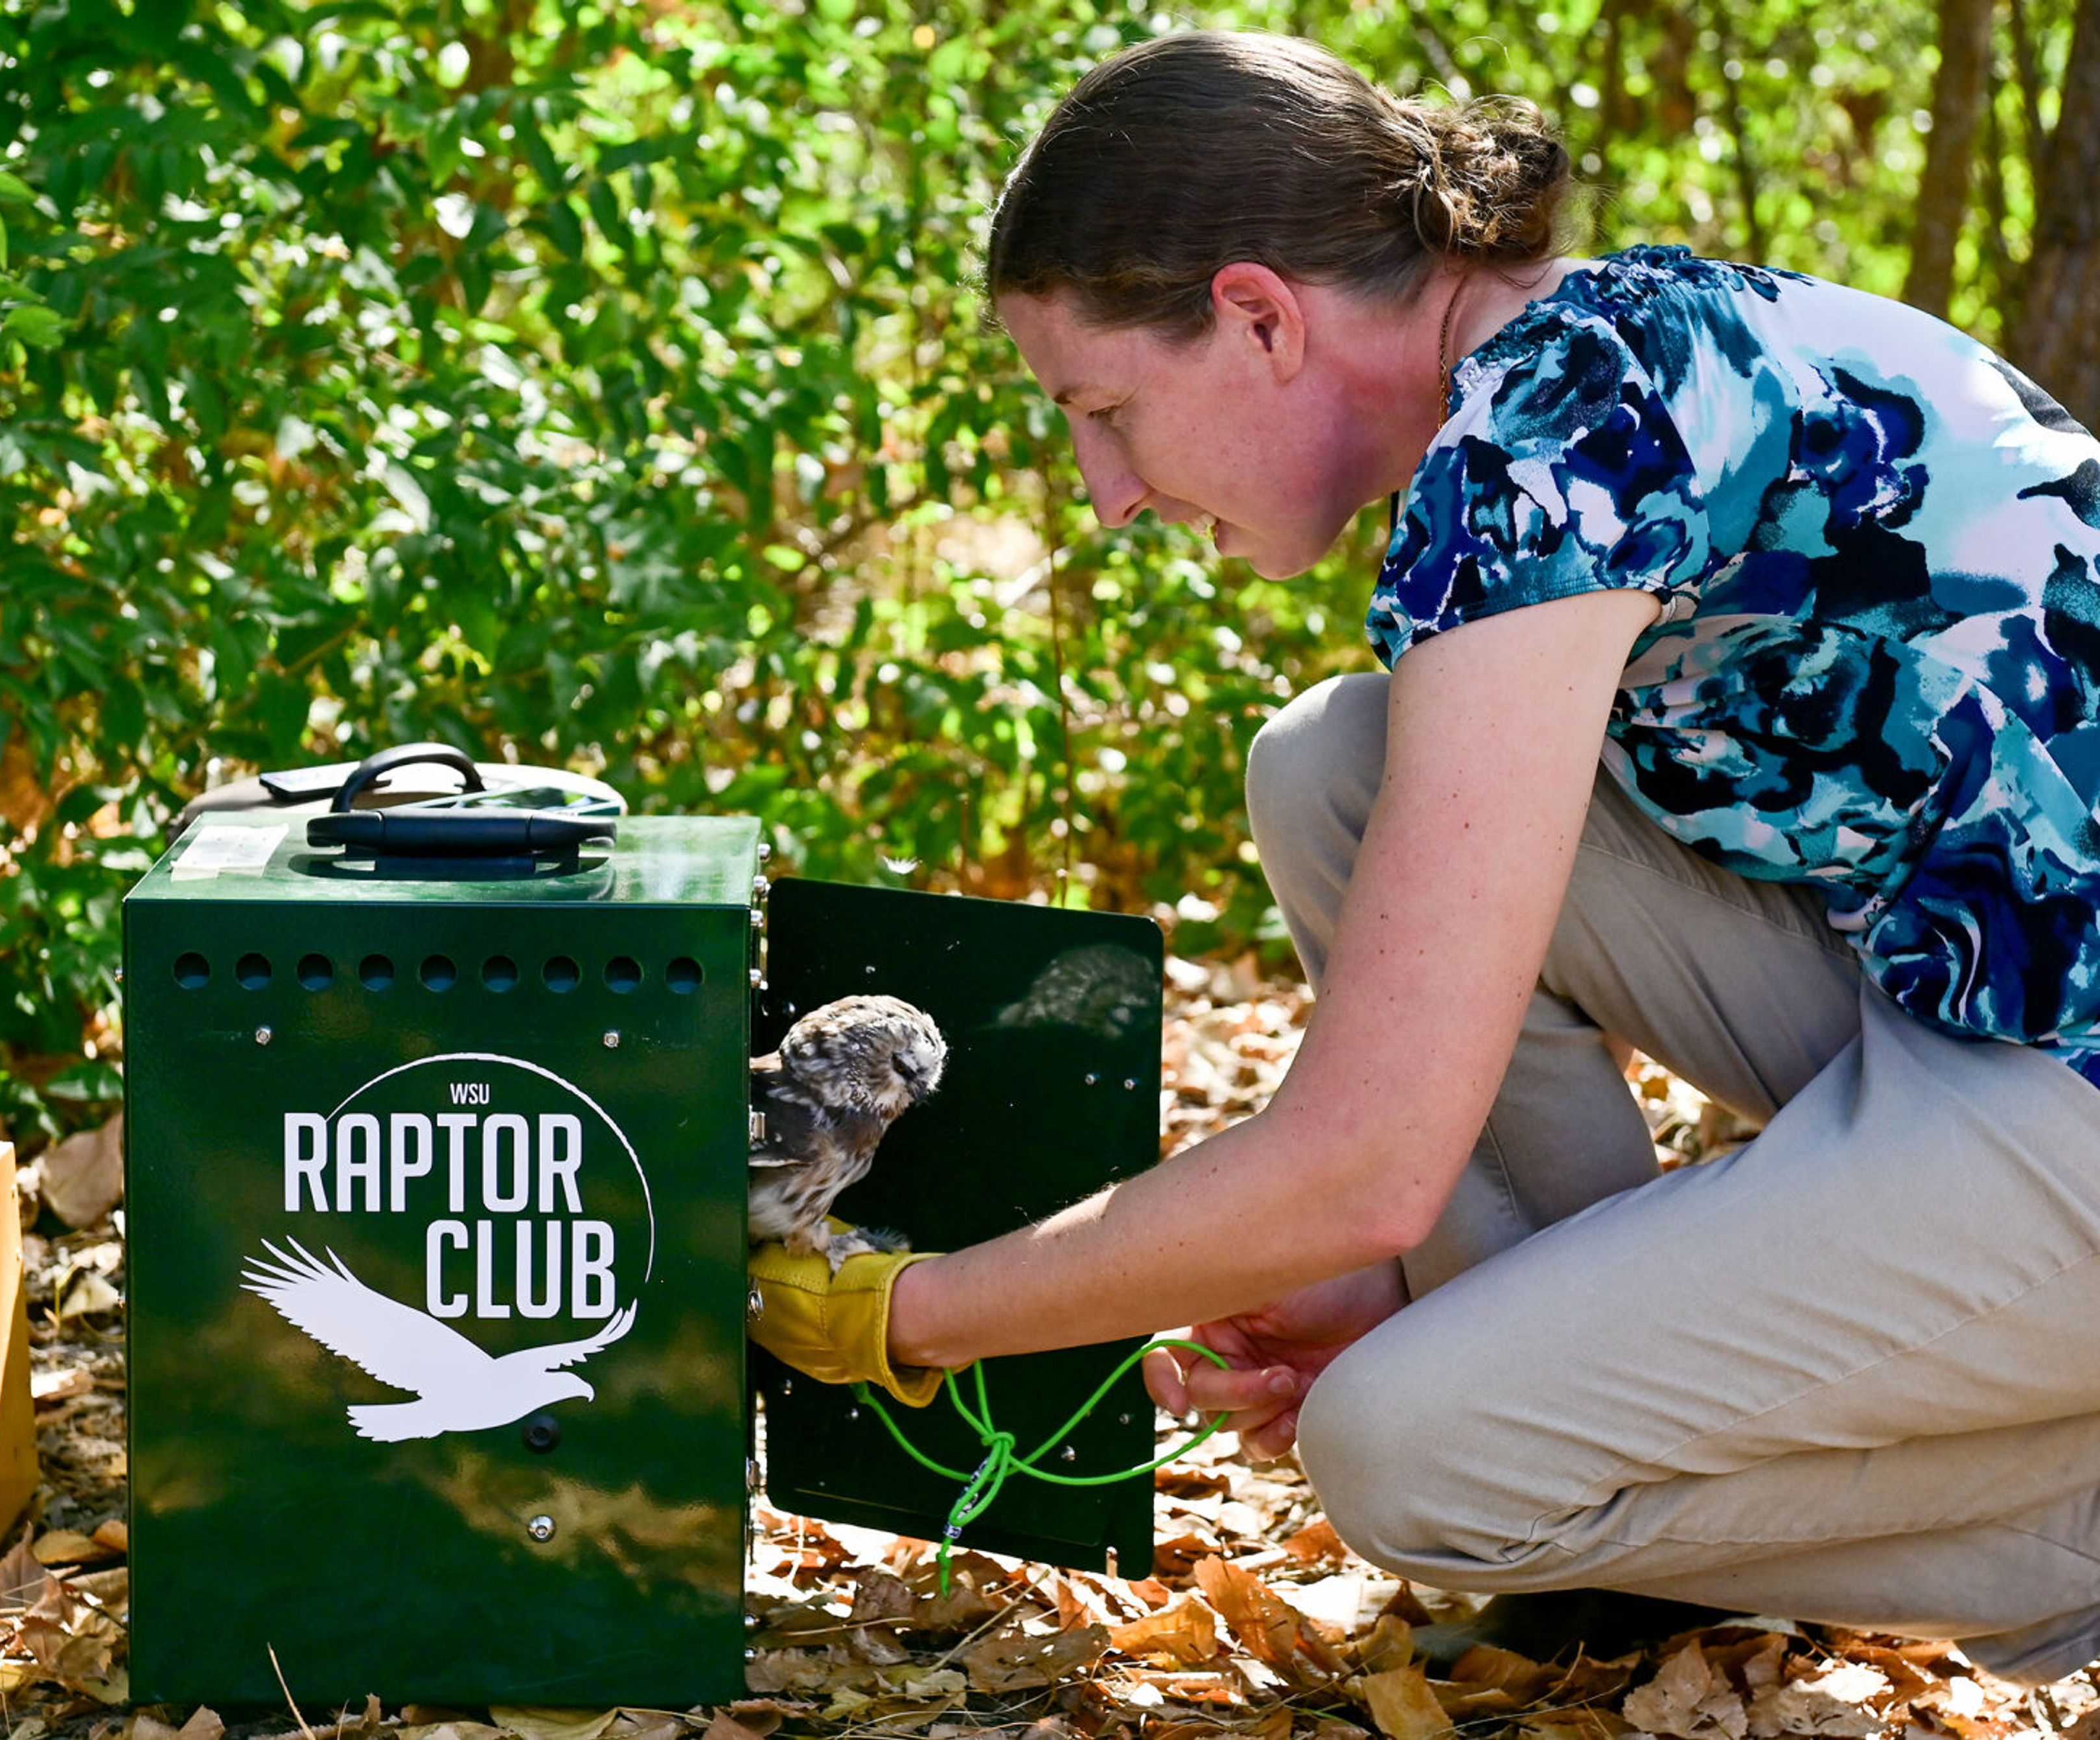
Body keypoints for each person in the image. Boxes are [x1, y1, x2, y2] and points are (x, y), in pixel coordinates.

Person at [744, 28, 2100, 1683]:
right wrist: (1431, 1287)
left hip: (2064, 1069)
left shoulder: (1543, 446)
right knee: (1341, 762)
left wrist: (912, 1312)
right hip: (1982, 995)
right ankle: (1593, 1446)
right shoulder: (1585, 355)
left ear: (1258, 313)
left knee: (1409, 1453)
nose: (1102, 491)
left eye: (1104, 408)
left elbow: (1367, 1154)